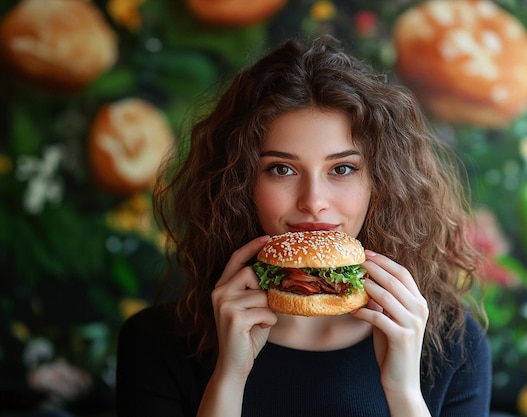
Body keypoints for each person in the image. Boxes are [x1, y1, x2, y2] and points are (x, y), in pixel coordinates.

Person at [116, 35, 492, 417]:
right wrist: (228, 379)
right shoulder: (155, 341)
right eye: (281, 169)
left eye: (342, 169)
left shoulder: (452, 343)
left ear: (381, 181)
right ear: (239, 183)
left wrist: (403, 392)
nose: (313, 201)